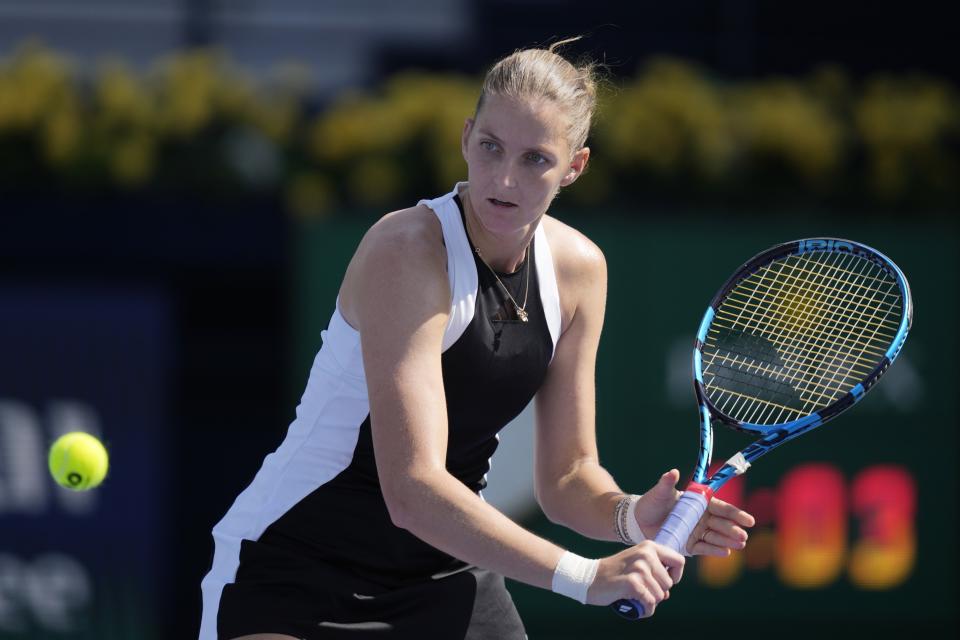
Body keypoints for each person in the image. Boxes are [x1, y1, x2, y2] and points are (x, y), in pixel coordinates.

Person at [199, 38, 755, 640]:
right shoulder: (407, 251)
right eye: (490, 147)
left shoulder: (578, 271)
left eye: (536, 159)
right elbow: (411, 490)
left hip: (447, 578)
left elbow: (569, 477)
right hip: (296, 567)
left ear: (575, 166)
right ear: (466, 138)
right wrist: (582, 575)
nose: (505, 178)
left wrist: (629, 515)